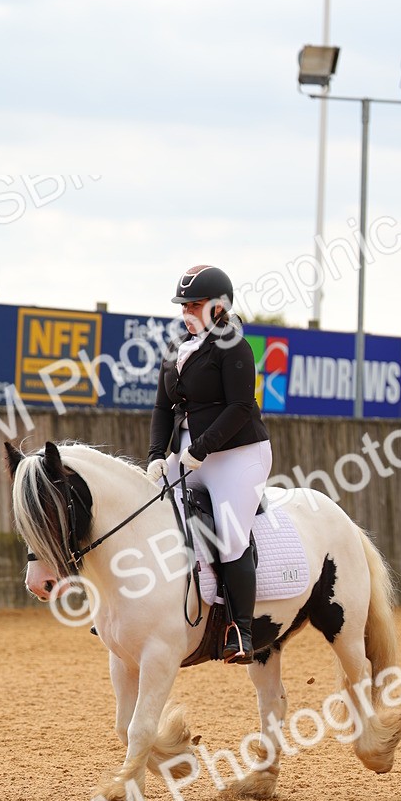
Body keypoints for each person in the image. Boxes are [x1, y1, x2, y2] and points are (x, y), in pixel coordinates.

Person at [147, 264, 272, 663]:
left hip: (238, 456)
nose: (186, 312)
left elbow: (239, 407)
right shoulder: (178, 348)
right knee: (147, 512)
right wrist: (155, 455)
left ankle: (241, 630)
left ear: (219, 307)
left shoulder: (234, 346)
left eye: (194, 305)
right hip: (188, 456)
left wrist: (200, 449)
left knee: (231, 536)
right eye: (183, 305)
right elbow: (162, 408)